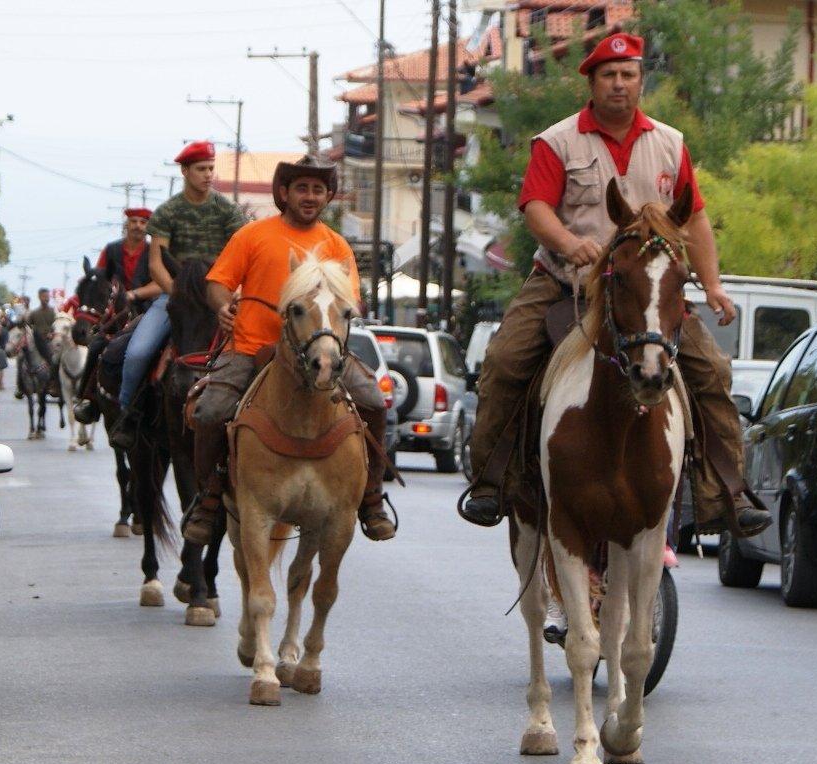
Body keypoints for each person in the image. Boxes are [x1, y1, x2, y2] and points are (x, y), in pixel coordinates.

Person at [462, 32, 772, 540]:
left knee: (711, 370)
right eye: (609, 74)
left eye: (629, 75)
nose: (619, 84)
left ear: (641, 81)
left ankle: (723, 493)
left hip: (646, 291)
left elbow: (694, 220)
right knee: (504, 361)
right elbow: (536, 207)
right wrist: (566, 242)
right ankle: (492, 482)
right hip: (565, 282)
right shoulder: (557, 140)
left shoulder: (671, 144)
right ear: (592, 81)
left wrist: (712, 285)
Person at [180, 155, 397, 546]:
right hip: (250, 346)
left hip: (320, 350)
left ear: (327, 196)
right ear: (284, 193)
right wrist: (222, 305)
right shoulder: (252, 235)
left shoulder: (336, 246)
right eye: (302, 188)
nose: (310, 196)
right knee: (210, 410)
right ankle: (208, 497)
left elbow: (349, 302)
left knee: (373, 400)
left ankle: (371, 498)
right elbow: (219, 282)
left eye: (317, 189)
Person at [108, 140, 247, 449]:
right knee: (138, 352)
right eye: (201, 169)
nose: (208, 175)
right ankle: (128, 413)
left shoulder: (228, 211)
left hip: (220, 299)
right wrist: (181, 295)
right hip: (176, 298)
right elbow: (156, 261)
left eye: (211, 168)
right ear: (185, 171)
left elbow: (241, 254)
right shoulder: (168, 212)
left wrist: (228, 296)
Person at [72, 207, 156, 422]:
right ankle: (87, 398)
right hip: (114, 312)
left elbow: (161, 284)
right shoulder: (111, 250)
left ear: (147, 227)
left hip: (145, 309)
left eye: (142, 222)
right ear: (126, 224)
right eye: (134, 221)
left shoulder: (153, 251)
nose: (138, 226)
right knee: (97, 345)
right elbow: (99, 277)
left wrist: (133, 294)